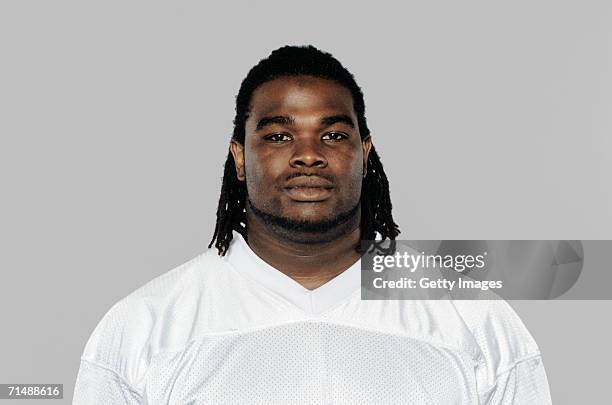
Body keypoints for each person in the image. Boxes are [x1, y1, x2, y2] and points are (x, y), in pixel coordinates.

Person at [73, 45, 552, 404]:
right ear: (240, 156)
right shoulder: (146, 326)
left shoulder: (472, 319)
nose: (308, 154)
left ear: (364, 155)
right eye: (279, 135)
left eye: (333, 134)